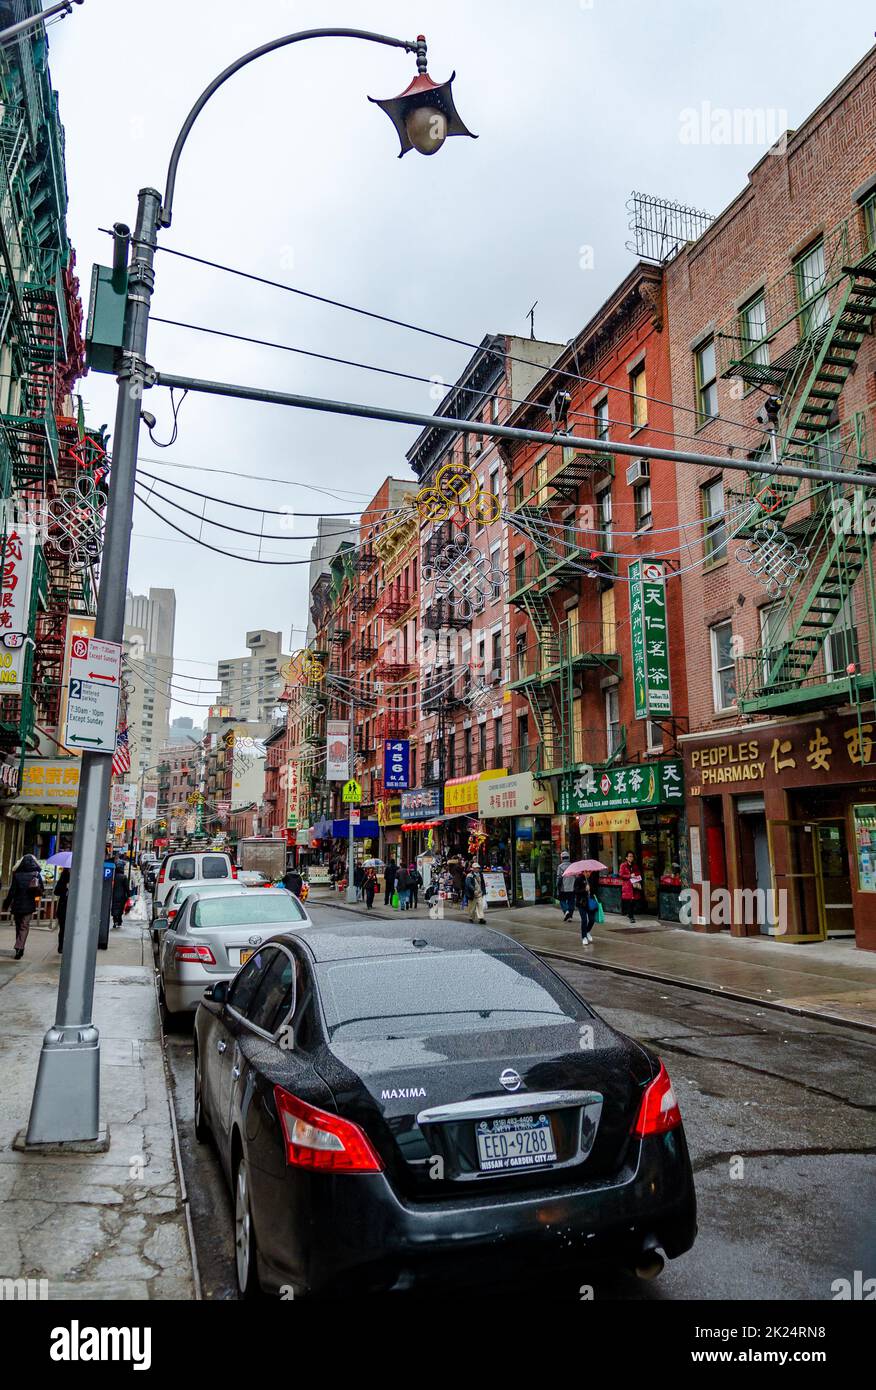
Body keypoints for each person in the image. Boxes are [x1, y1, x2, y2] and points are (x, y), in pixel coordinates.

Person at [4, 853, 44, 959]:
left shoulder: (17, 875)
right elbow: (41, 890)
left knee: (19, 926)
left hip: (17, 905)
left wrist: (6, 904)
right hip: (29, 905)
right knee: (24, 926)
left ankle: (18, 947)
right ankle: (20, 947)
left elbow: (12, 892)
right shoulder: (36, 874)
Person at [620, 850, 643, 924]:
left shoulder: (635, 865)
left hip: (635, 885)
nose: (631, 858)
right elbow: (621, 875)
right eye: (629, 856)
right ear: (626, 857)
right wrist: (629, 876)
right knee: (629, 901)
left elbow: (639, 873)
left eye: (632, 856)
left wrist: (636, 875)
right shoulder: (623, 865)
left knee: (634, 901)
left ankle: (630, 914)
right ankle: (631, 916)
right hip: (627, 886)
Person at [574, 871, 597, 946]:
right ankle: (584, 937)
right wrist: (584, 889)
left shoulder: (591, 879)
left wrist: (591, 889)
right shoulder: (578, 879)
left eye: (590, 871)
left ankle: (587, 931)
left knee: (592, 919)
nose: (588, 873)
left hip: (590, 902)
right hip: (582, 903)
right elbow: (576, 891)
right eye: (586, 871)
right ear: (583, 872)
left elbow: (595, 890)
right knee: (584, 920)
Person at [556, 850, 576, 921]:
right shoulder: (572, 866)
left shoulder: (560, 866)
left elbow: (559, 878)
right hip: (572, 888)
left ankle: (566, 911)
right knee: (571, 902)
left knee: (562, 901)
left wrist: (557, 887)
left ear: (562, 858)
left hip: (563, 888)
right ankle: (570, 916)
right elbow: (576, 877)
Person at [55, 866, 70, 955]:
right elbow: (56, 892)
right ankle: (61, 946)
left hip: (74, 907)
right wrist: (66, 888)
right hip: (64, 906)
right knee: (63, 928)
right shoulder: (63, 878)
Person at [111, 858, 130, 929]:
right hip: (122, 896)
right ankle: (119, 920)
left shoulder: (114, 877)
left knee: (114, 907)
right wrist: (128, 895)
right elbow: (126, 887)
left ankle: (115, 920)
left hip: (114, 895)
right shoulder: (124, 877)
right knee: (120, 908)